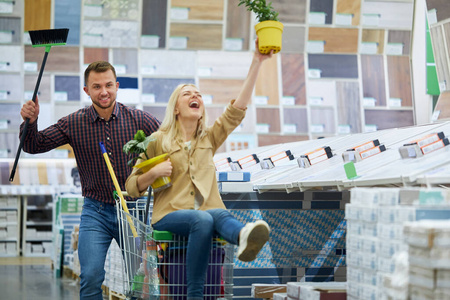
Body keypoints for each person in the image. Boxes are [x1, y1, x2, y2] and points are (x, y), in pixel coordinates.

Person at [125, 39, 272, 300]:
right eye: (187, 94)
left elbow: (237, 111)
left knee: (218, 214)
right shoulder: (158, 140)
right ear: (177, 108)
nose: (195, 97)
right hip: (169, 214)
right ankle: (194, 295)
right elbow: (131, 186)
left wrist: (257, 62)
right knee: (204, 219)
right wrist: (153, 172)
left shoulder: (208, 139)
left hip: (206, 212)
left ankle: (243, 236)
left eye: (199, 95)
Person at [19, 61, 160, 300]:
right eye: (96, 86)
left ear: (116, 86)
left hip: (133, 211)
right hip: (95, 211)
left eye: (108, 85)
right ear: (86, 90)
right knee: (91, 276)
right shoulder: (73, 123)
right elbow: (34, 144)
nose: (103, 91)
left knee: (142, 281)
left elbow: (170, 143)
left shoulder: (140, 120)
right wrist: (31, 122)